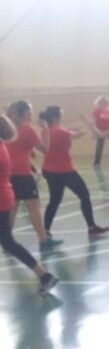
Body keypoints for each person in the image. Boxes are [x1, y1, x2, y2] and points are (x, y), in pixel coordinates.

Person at [0, 115, 59, 293]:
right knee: (8, 242)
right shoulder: (3, 145)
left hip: (2, 197)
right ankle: (44, 275)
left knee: (8, 241)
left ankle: (44, 275)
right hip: (5, 195)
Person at [38, 106, 109, 236]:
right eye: (61, 114)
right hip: (64, 170)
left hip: (49, 170)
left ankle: (46, 230)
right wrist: (87, 123)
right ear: (55, 117)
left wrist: (76, 126)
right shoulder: (61, 132)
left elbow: (67, 130)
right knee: (84, 195)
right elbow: (79, 133)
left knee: (54, 200)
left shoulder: (46, 130)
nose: (62, 116)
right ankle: (91, 226)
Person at [5, 101, 61, 249]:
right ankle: (43, 240)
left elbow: (15, 147)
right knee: (34, 207)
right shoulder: (27, 129)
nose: (31, 114)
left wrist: (28, 152)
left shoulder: (9, 128)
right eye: (30, 111)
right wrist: (45, 129)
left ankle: (6, 241)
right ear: (24, 113)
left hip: (9, 173)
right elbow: (45, 149)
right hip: (23, 173)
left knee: (13, 208)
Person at [91, 96, 109, 167]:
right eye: (103, 101)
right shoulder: (96, 111)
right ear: (100, 102)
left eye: (106, 101)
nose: (105, 102)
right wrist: (94, 132)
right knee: (99, 147)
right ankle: (97, 162)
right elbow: (94, 122)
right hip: (101, 132)